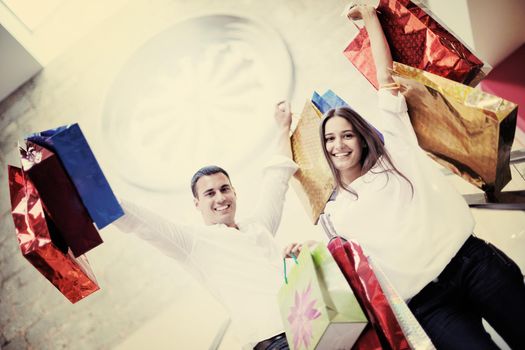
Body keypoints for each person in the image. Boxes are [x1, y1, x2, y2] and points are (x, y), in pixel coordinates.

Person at [286, 3, 525, 349]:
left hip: (471, 263)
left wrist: (369, 17)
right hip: (429, 306)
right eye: (329, 138)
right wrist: (308, 249)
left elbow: (386, 80)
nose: (338, 144)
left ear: (361, 136)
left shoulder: (394, 154)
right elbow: (344, 261)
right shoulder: (334, 212)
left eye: (346, 134)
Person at [114, 101, 296, 350]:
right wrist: (86, 188)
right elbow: (138, 220)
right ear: (197, 204)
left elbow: (277, 178)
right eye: (209, 193)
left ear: (234, 192)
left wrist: (283, 128)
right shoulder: (192, 242)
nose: (220, 198)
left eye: (224, 189)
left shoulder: (258, 225)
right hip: (276, 342)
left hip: (312, 321)